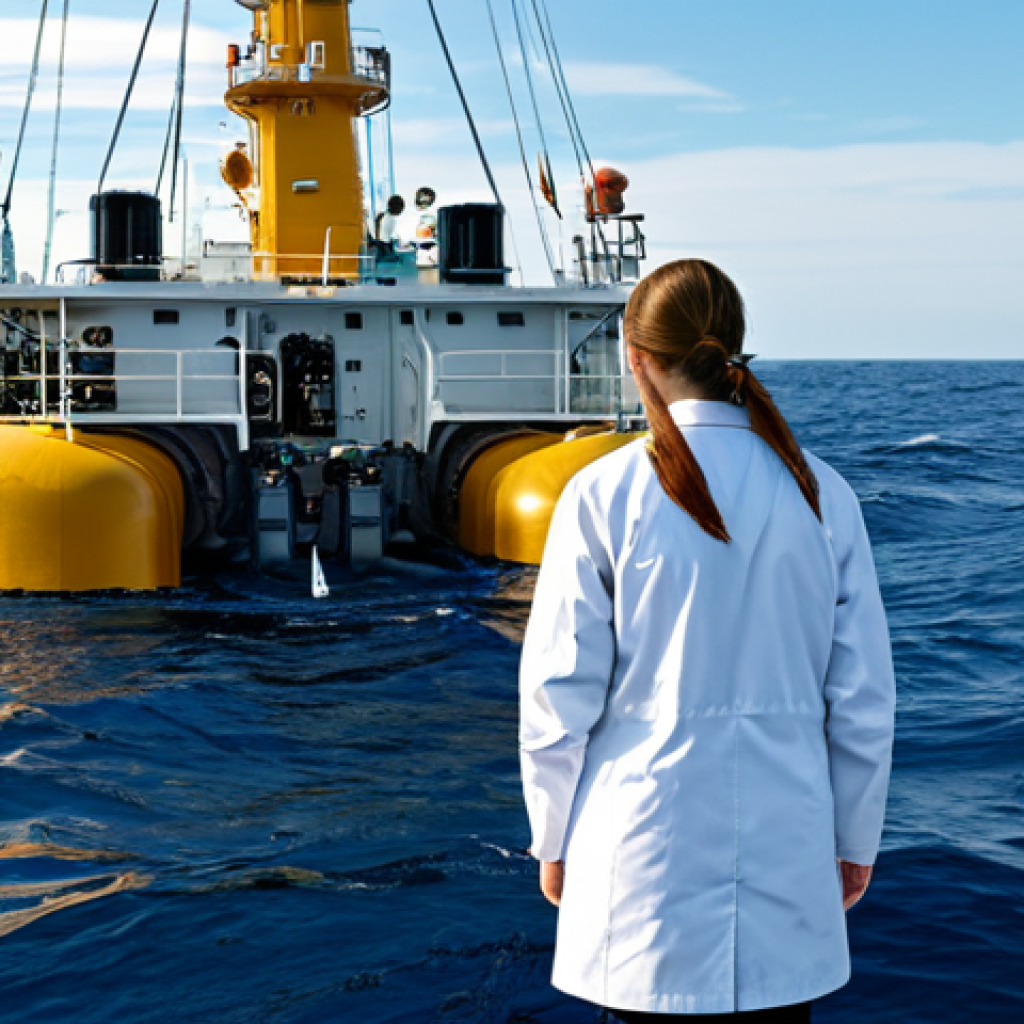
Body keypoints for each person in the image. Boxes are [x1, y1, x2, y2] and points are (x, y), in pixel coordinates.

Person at [519, 259, 895, 1020]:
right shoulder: (822, 493)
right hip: (789, 863)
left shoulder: (601, 494)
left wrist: (552, 838)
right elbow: (861, 699)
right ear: (732, 352)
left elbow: (560, 696)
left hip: (638, 870)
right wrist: (856, 835)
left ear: (635, 358)